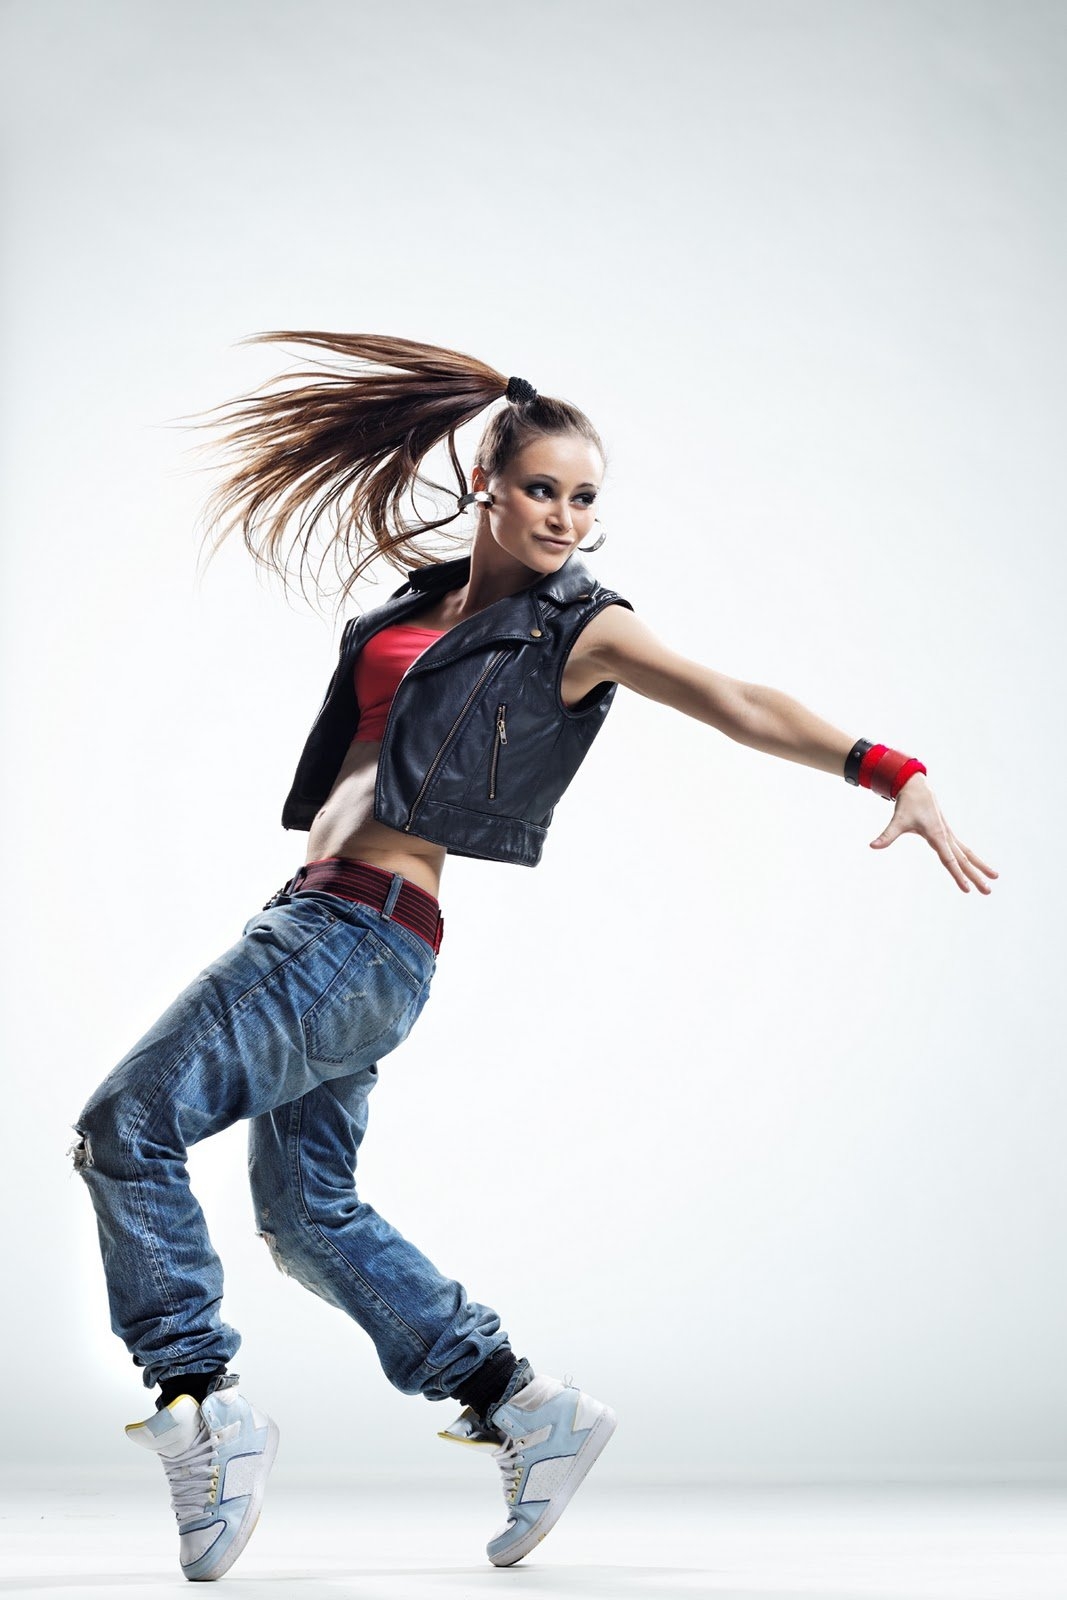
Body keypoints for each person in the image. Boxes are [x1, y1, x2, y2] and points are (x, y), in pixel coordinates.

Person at [71, 332, 998, 1583]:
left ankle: (196, 1400)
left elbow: (734, 698)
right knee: (304, 1212)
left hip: (351, 936)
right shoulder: (415, 606)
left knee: (125, 1124)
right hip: (331, 928)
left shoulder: (581, 626)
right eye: (543, 489)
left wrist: (890, 770)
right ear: (487, 488)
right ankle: (517, 1402)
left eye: (584, 497)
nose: (565, 516)